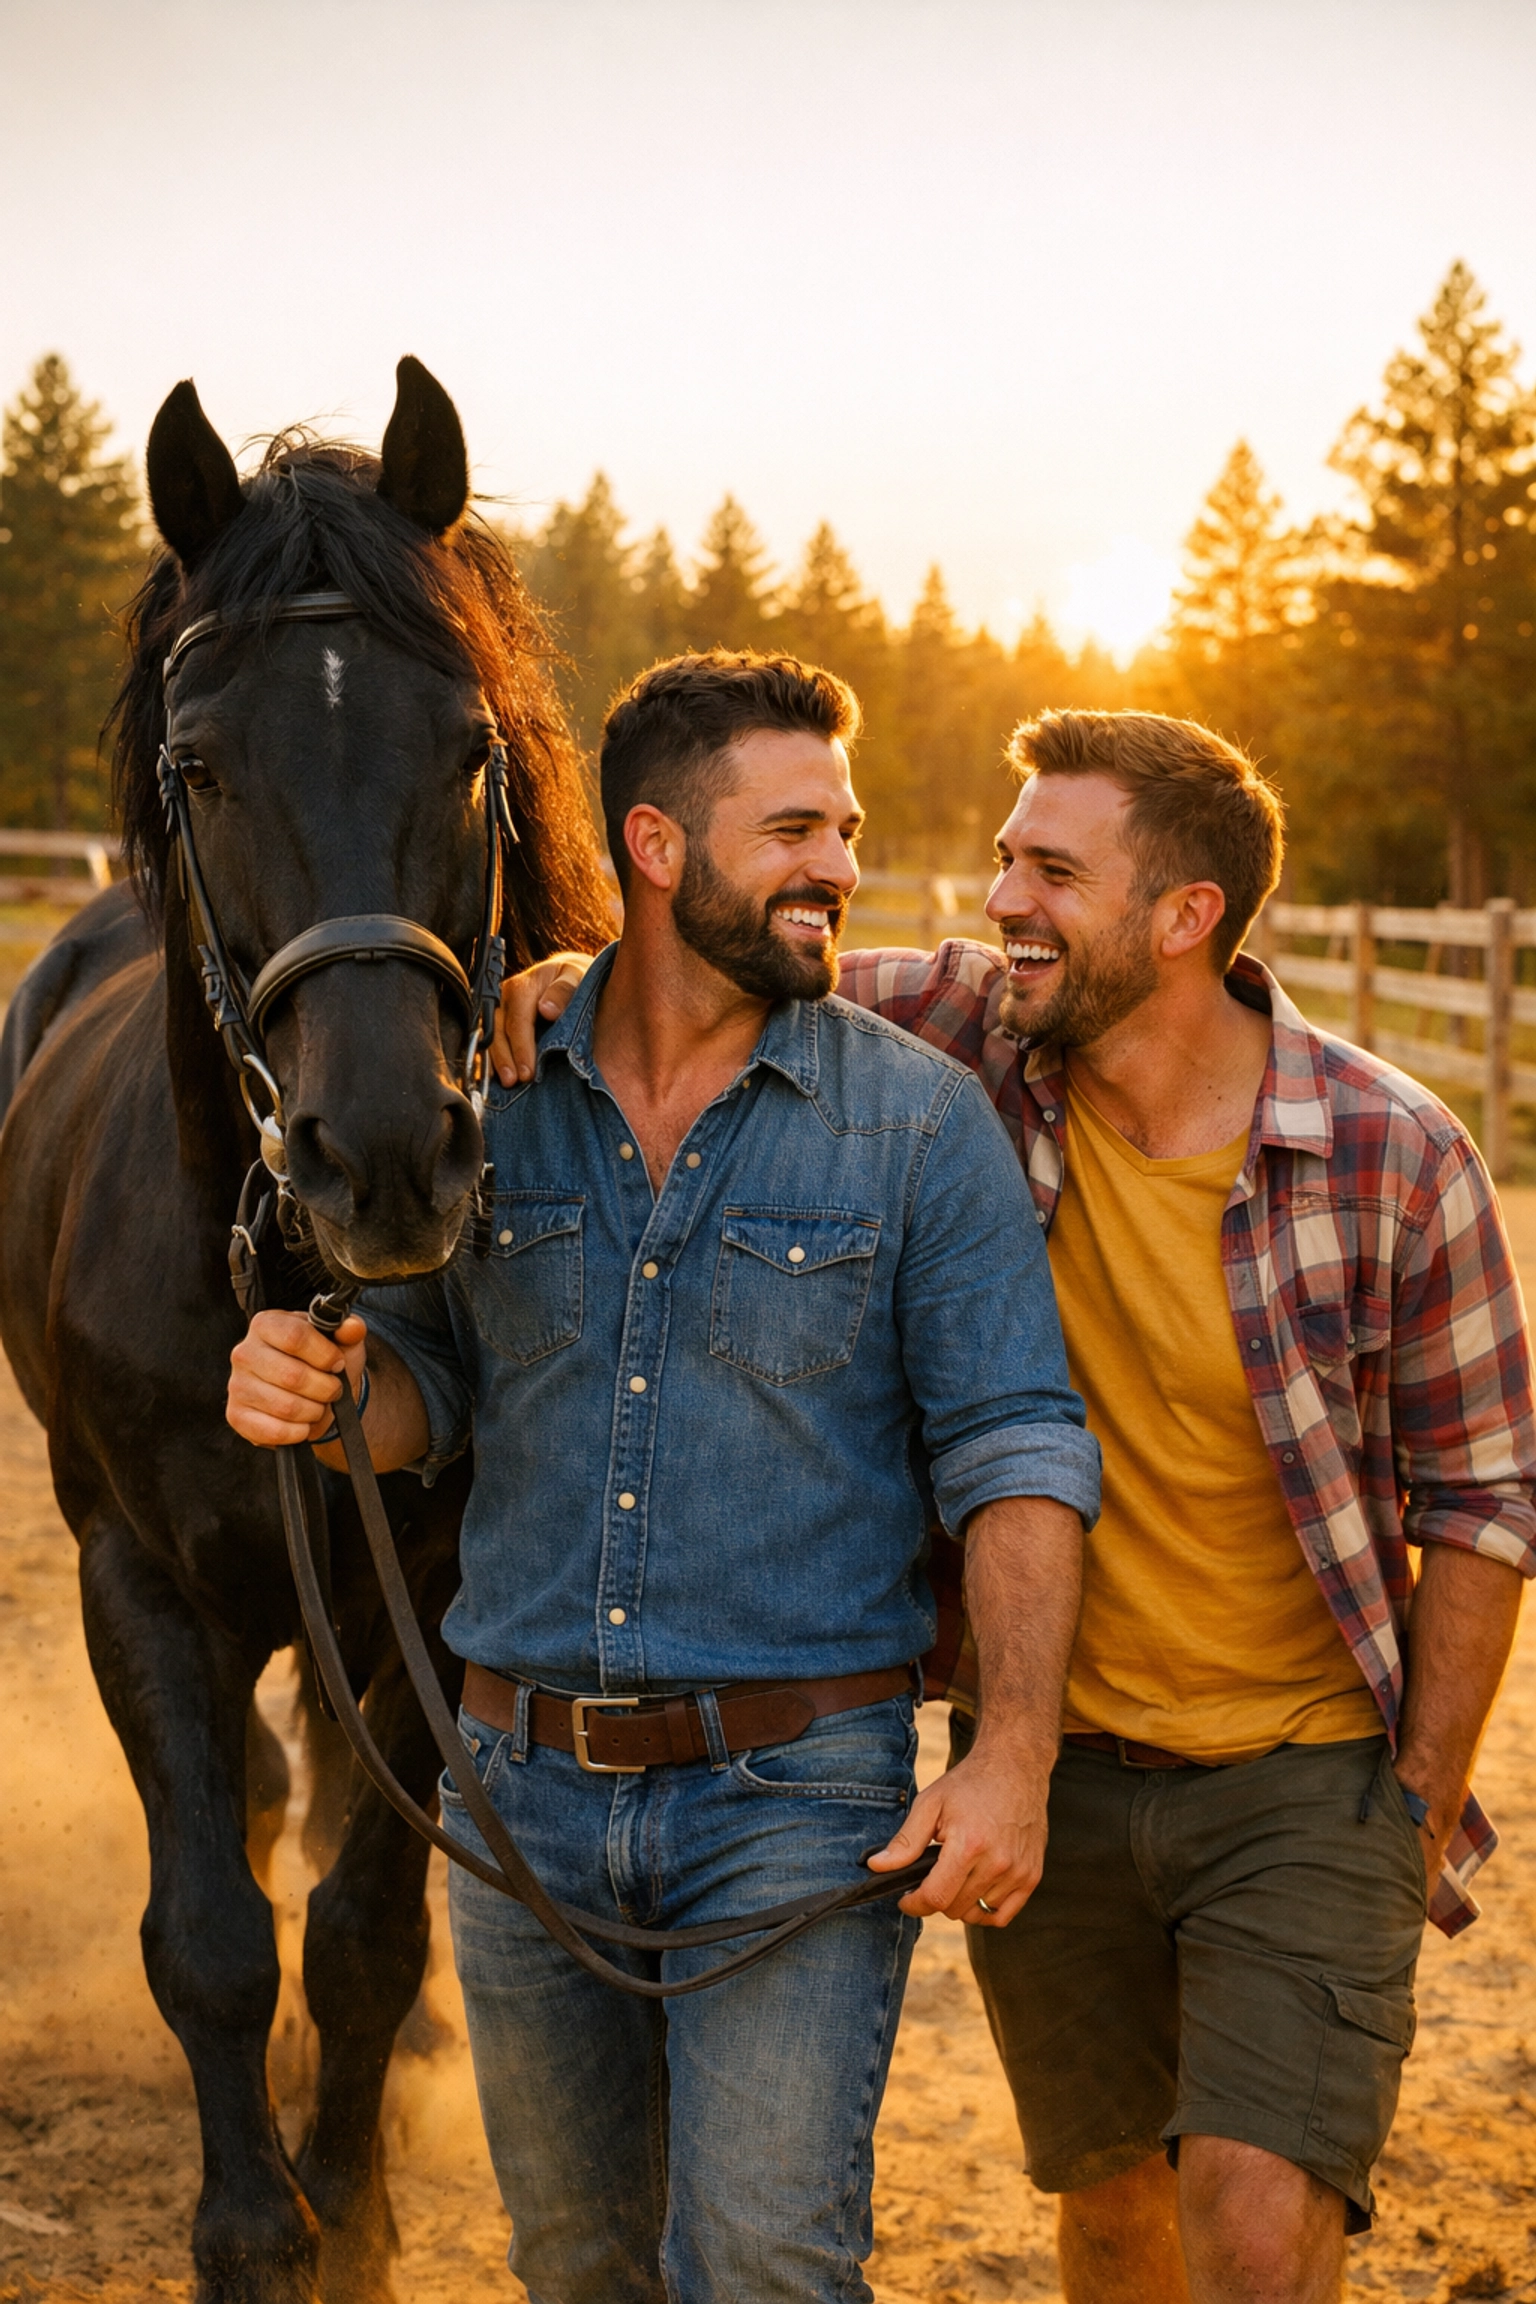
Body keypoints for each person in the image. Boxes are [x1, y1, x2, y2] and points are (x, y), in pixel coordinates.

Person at [501, 707, 1536, 2304]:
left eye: (1053, 870)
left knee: (1257, 2233)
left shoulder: (1393, 1155)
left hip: (1301, 1773)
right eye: (1003, 858)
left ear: (1185, 918)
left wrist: (1409, 1808)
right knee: (1115, 2213)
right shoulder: (971, 1047)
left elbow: (1481, 1500)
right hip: (1057, 1777)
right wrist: (574, 976)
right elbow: (719, 962)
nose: (1001, 905)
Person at [227, 652, 1100, 2304]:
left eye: (841, 829)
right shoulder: (493, 1106)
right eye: (792, 829)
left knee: (764, 2262)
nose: (837, 865)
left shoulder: (915, 1128)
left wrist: (1015, 1757)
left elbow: (1018, 1450)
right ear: (653, 843)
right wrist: (323, 1389)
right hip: (520, 1792)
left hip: (795, 1804)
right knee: (575, 2265)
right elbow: (425, 1386)